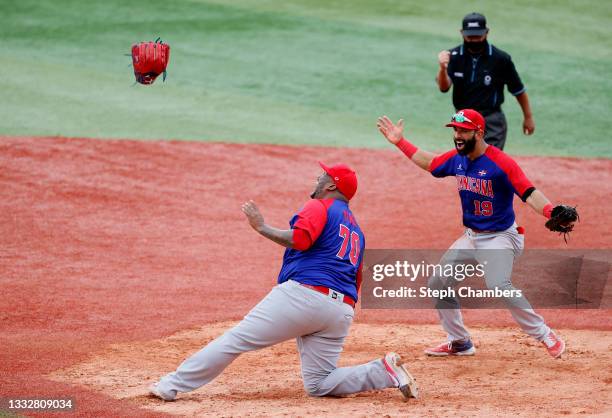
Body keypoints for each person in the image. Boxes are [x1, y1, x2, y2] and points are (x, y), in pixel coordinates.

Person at [149, 162, 419, 401]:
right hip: (340, 310)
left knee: (235, 340)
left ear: (330, 186)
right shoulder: (357, 231)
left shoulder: (319, 205)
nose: (317, 179)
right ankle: (382, 372)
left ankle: (171, 385)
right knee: (319, 383)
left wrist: (261, 227)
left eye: (321, 176)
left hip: (304, 296)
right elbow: (357, 278)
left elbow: (300, 239)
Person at [377, 109, 574, 358]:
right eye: (455, 130)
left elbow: (528, 192)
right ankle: (459, 341)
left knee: (498, 284)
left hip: (502, 237)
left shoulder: (500, 163)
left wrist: (550, 211)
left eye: (463, 130)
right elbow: (430, 162)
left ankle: (545, 334)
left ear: (479, 132)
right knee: (439, 282)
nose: (458, 135)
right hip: (472, 237)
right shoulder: (458, 159)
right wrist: (400, 142)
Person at [436, 12, 535, 150]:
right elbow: (443, 87)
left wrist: (528, 117)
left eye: (478, 36)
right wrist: (442, 68)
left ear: (487, 32)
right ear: (462, 33)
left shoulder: (501, 59)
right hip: (463, 120)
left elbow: (518, 90)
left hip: (491, 120)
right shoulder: (453, 56)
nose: (474, 40)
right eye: (470, 36)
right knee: (466, 163)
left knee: (489, 163)